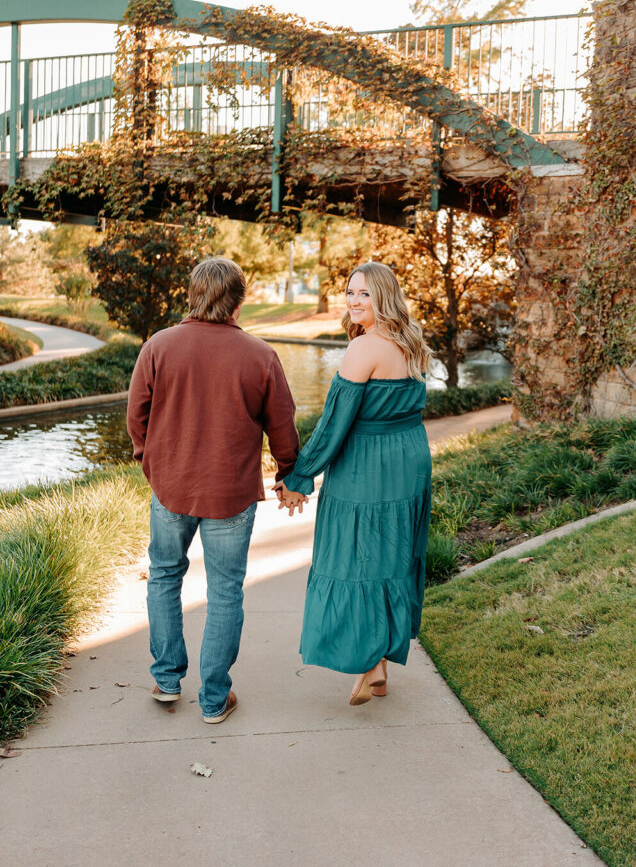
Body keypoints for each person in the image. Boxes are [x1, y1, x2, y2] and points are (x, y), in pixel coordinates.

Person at [127, 257, 304, 723]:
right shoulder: (260, 355)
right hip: (231, 493)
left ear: (192, 294)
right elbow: (282, 427)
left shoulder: (158, 347)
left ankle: (167, 680)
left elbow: (136, 418)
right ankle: (212, 699)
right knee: (225, 591)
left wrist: (152, 465)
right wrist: (289, 473)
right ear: (239, 301)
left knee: (165, 576)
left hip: (171, 489)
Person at [274, 262, 432, 705]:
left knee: (357, 556)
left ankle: (367, 664)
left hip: (369, 464)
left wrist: (299, 476)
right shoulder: (411, 341)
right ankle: (378, 663)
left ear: (384, 297)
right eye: (349, 293)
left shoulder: (364, 348)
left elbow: (332, 425)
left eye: (364, 294)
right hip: (409, 459)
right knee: (391, 556)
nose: (354, 301)